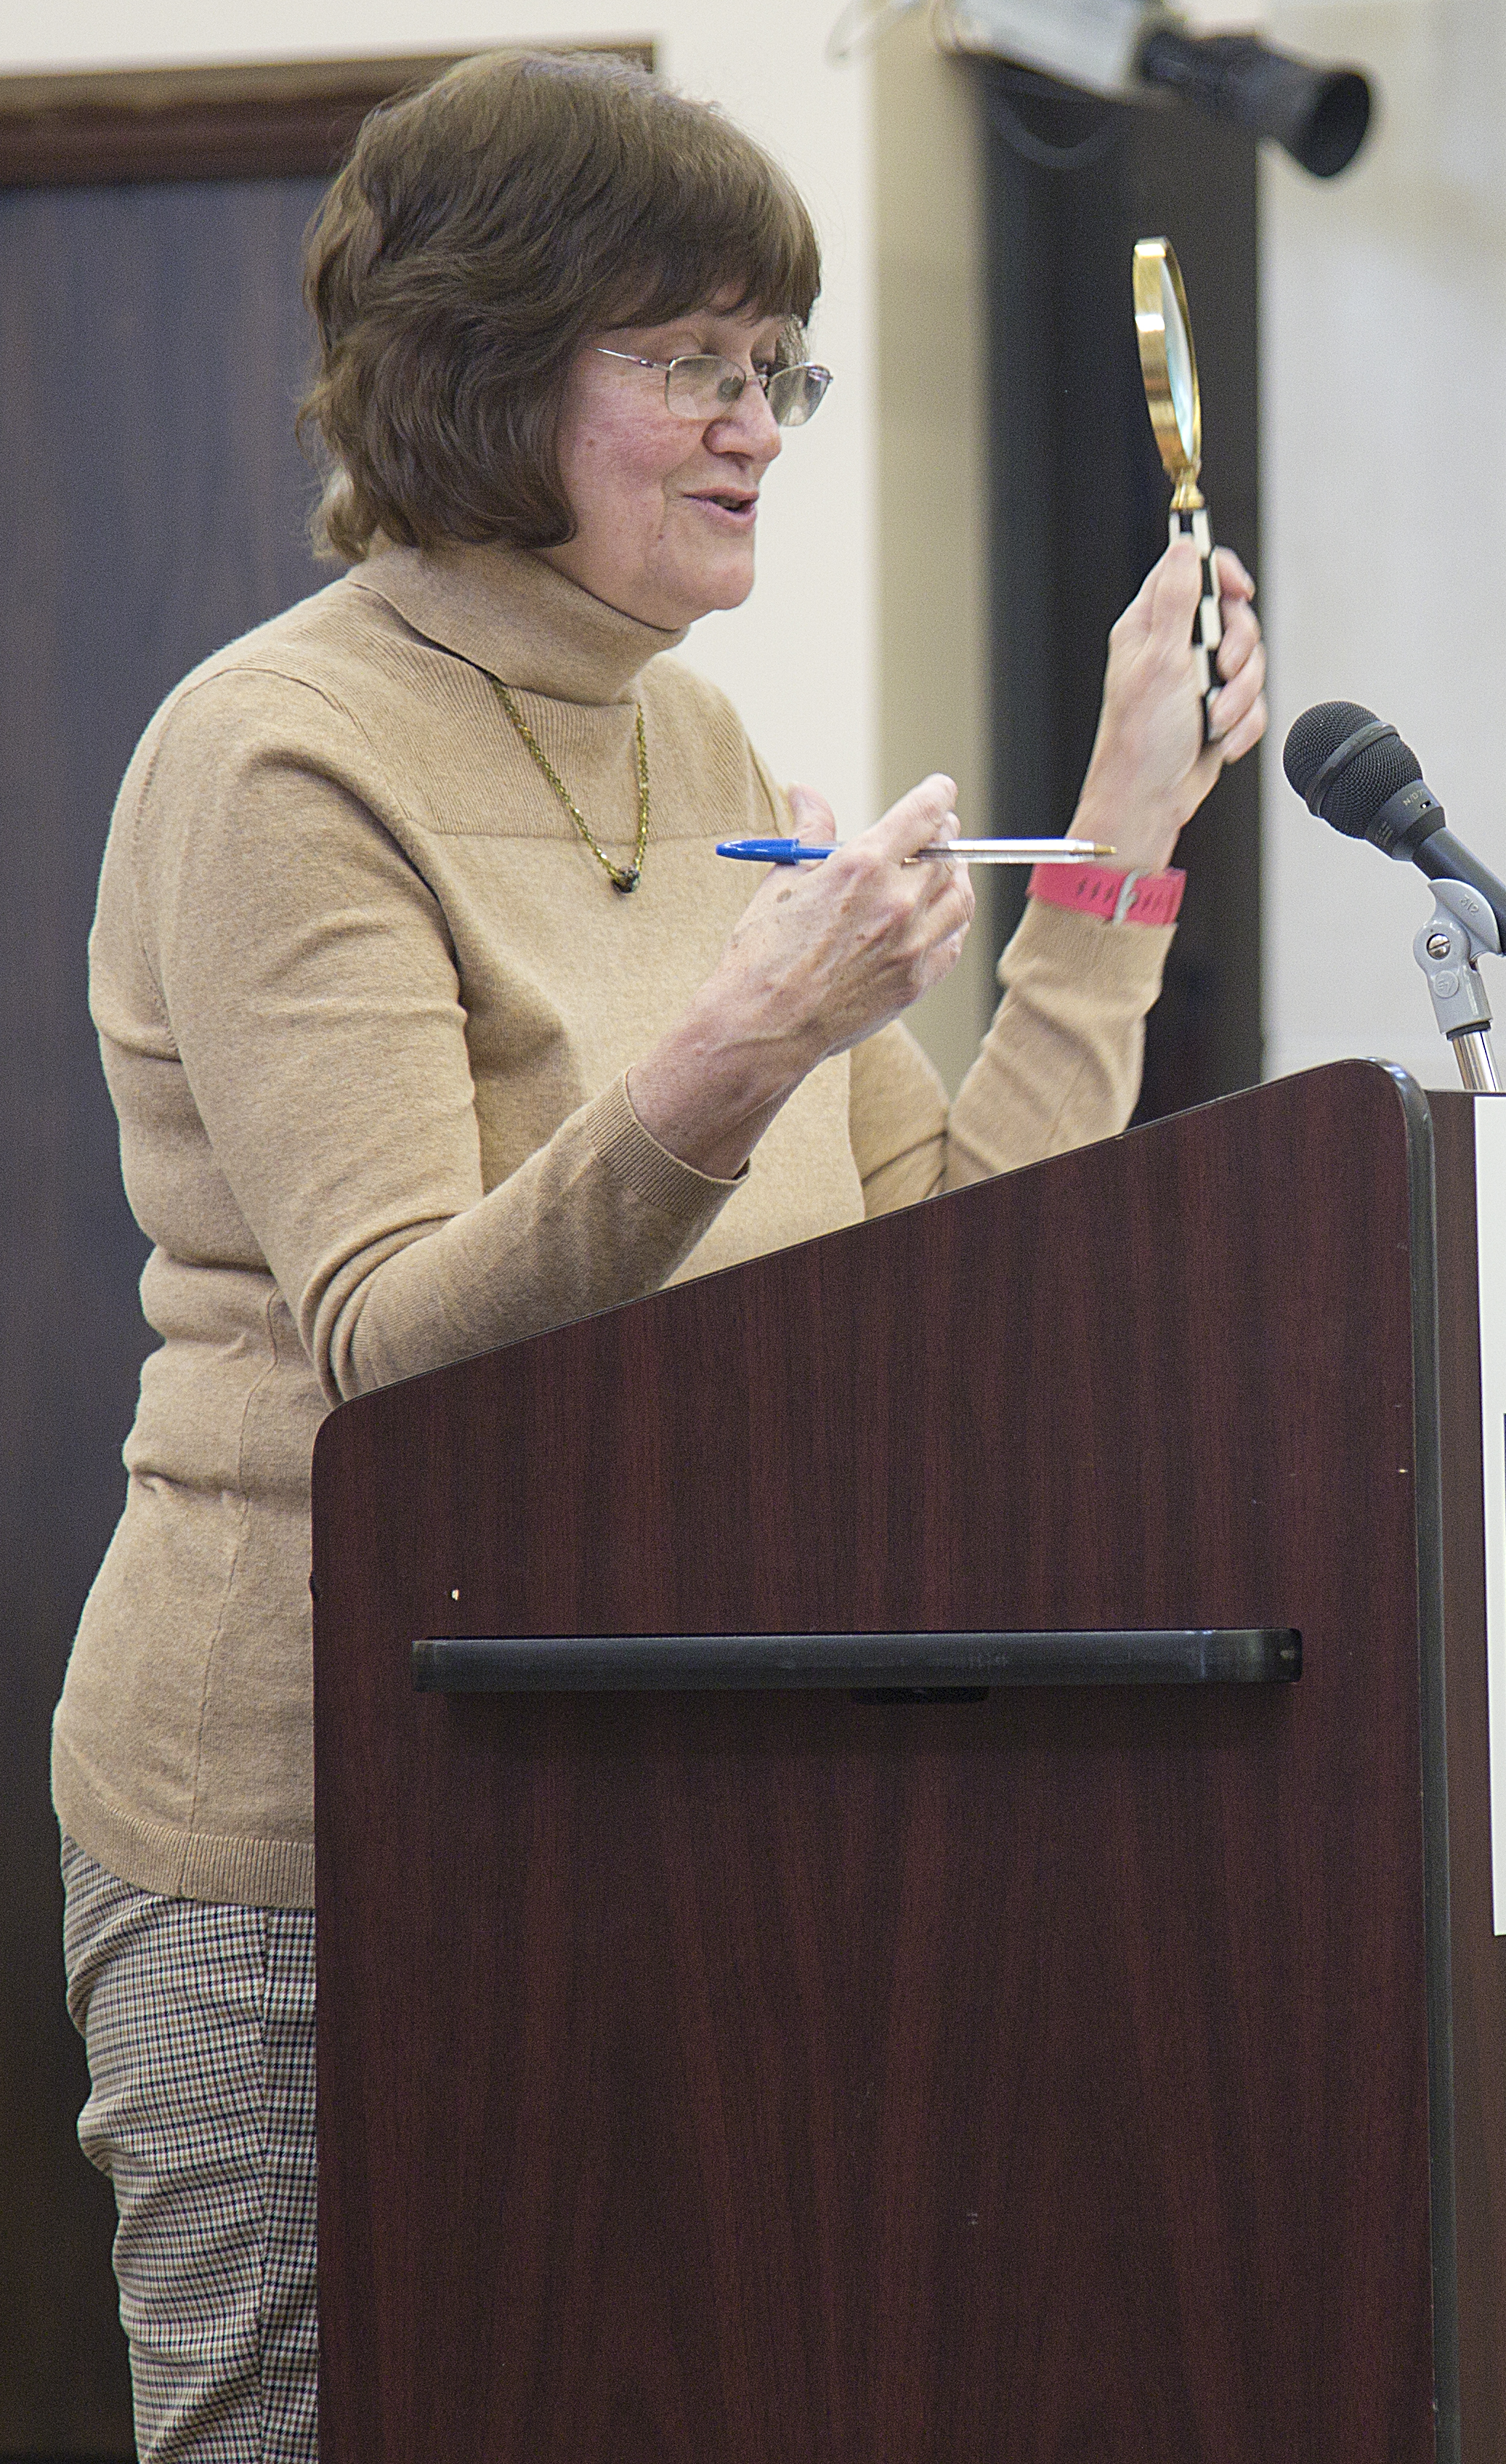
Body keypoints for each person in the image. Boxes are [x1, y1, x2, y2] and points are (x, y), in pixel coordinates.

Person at [47, 44, 1264, 2464]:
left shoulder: (694, 741)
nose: (754, 430)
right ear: (486, 368)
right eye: (687, 366)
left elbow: (935, 1247)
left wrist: (1124, 830)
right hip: (311, 1815)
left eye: (772, 371)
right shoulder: (277, 753)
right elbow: (397, 1343)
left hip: (659, 1764)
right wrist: (741, 1047)